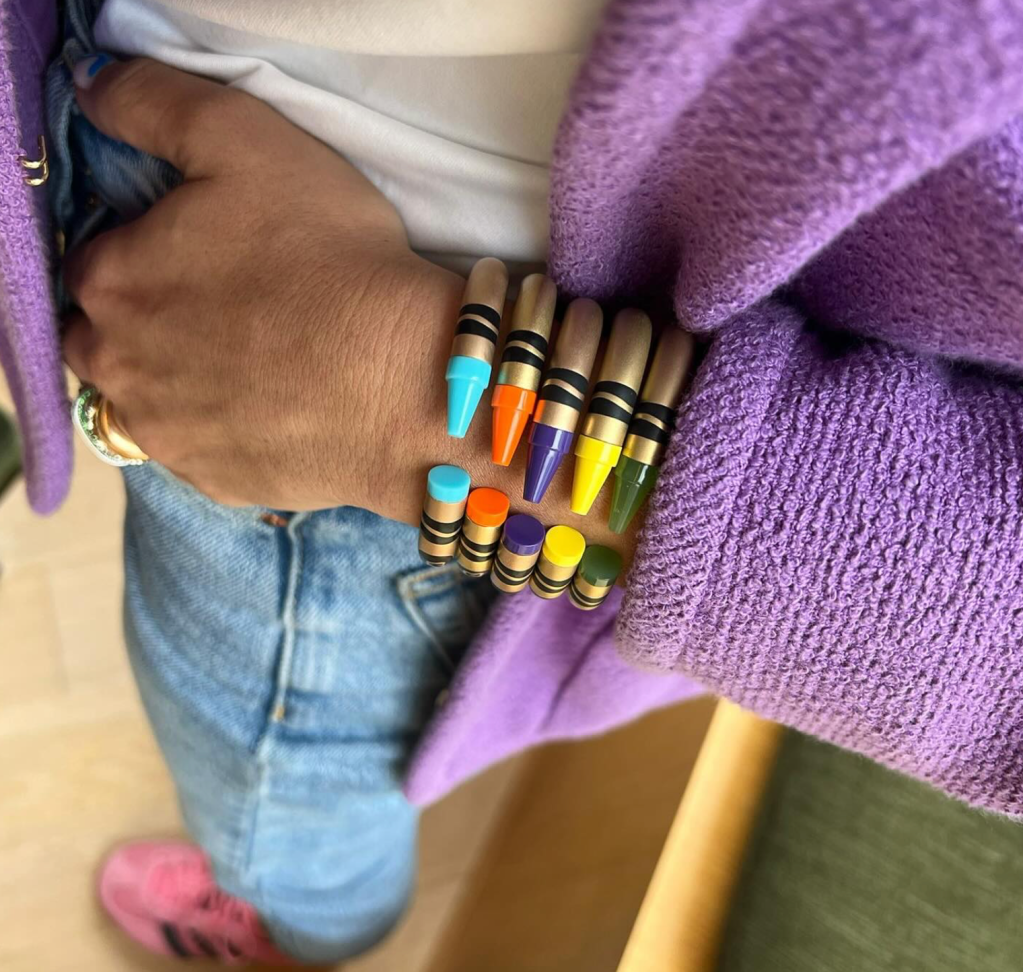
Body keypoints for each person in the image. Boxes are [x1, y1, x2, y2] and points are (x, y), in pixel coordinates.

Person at [4, 0, 1023, 964]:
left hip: (365, 423)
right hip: (248, 233)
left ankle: (296, 922)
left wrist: (400, 398)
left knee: (272, 793)